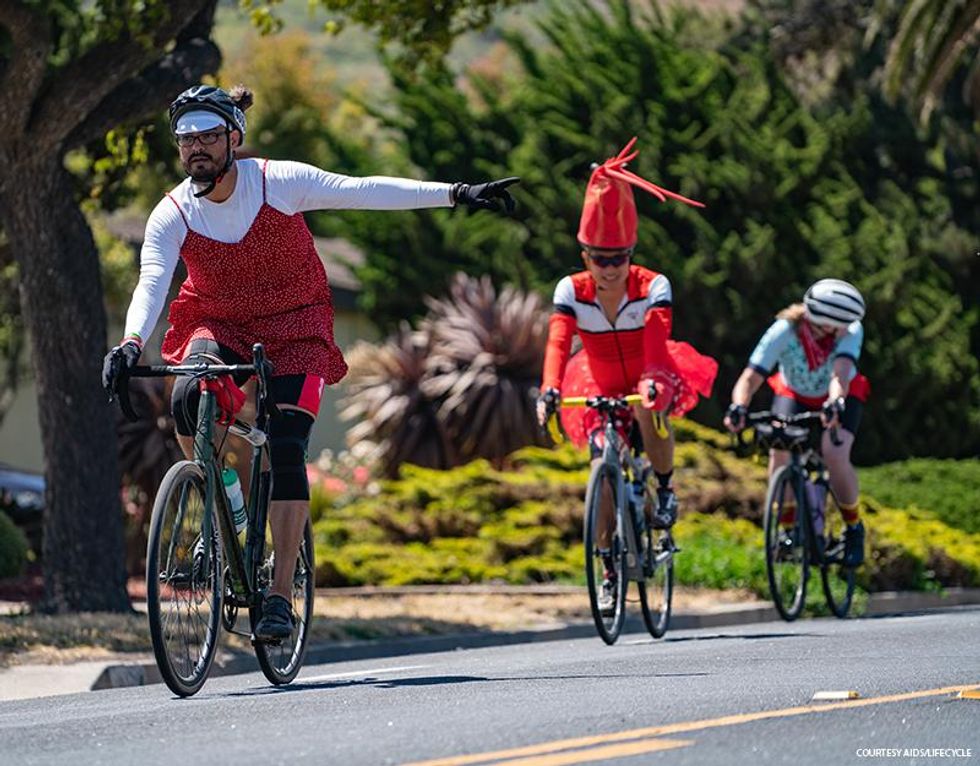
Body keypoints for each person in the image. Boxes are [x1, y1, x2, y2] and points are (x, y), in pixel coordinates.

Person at [102, 84, 518, 639]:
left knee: (286, 446)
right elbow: (153, 279)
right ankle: (229, 509)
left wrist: (457, 193)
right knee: (185, 403)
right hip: (219, 324)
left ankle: (278, 598)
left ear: (233, 138)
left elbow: (362, 190)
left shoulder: (277, 182)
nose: (196, 147)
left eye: (208, 136)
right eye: (186, 139)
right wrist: (131, 343)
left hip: (296, 326)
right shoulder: (174, 211)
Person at [536, 138, 717, 612]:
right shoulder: (570, 290)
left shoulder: (652, 285)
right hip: (595, 380)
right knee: (601, 469)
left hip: (652, 371)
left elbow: (657, 340)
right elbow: (558, 342)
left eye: (619, 258)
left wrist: (652, 379)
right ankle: (607, 569)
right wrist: (549, 389)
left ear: (631, 254)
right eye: (600, 258)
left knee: (646, 409)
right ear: (585, 256)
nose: (611, 268)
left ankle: (665, 488)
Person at [723, 279, 869, 567]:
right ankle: (787, 528)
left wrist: (835, 401)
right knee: (780, 449)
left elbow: (840, 373)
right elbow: (751, 376)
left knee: (835, 453)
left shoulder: (851, 329)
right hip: (794, 393)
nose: (844, 329)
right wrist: (739, 406)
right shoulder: (784, 330)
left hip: (840, 394)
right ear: (823, 323)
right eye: (838, 326)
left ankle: (853, 528)